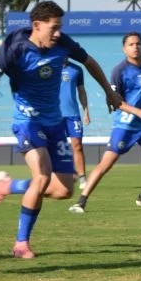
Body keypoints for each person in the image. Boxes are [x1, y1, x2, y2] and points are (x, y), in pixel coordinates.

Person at [0, 1, 121, 259]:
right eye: (54, 28)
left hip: (55, 122)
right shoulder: (15, 47)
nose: (58, 33)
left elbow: (89, 62)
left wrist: (109, 91)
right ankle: (21, 244)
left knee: (64, 190)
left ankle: (7, 185)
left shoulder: (63, 43)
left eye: (60, 27)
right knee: (41, 177)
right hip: (27, 121)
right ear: (37, 26)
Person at [69, 32, 141, 214]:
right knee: (105, 164)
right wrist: (137, 112)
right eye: (131, 44)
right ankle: (81, 201)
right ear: (124, 48)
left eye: (138, 43)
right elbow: (115, 101)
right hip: (126, 125)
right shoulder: (119, 71)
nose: (136, 47)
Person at [60, 60, 91, 190]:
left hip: (73, 115)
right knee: (58, 147)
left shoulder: (76, 69)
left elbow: (82, 92)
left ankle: (82, 178)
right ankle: (66, 173)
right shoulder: (50, 67)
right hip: (55, 115)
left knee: (77, 146)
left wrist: (86, 112)